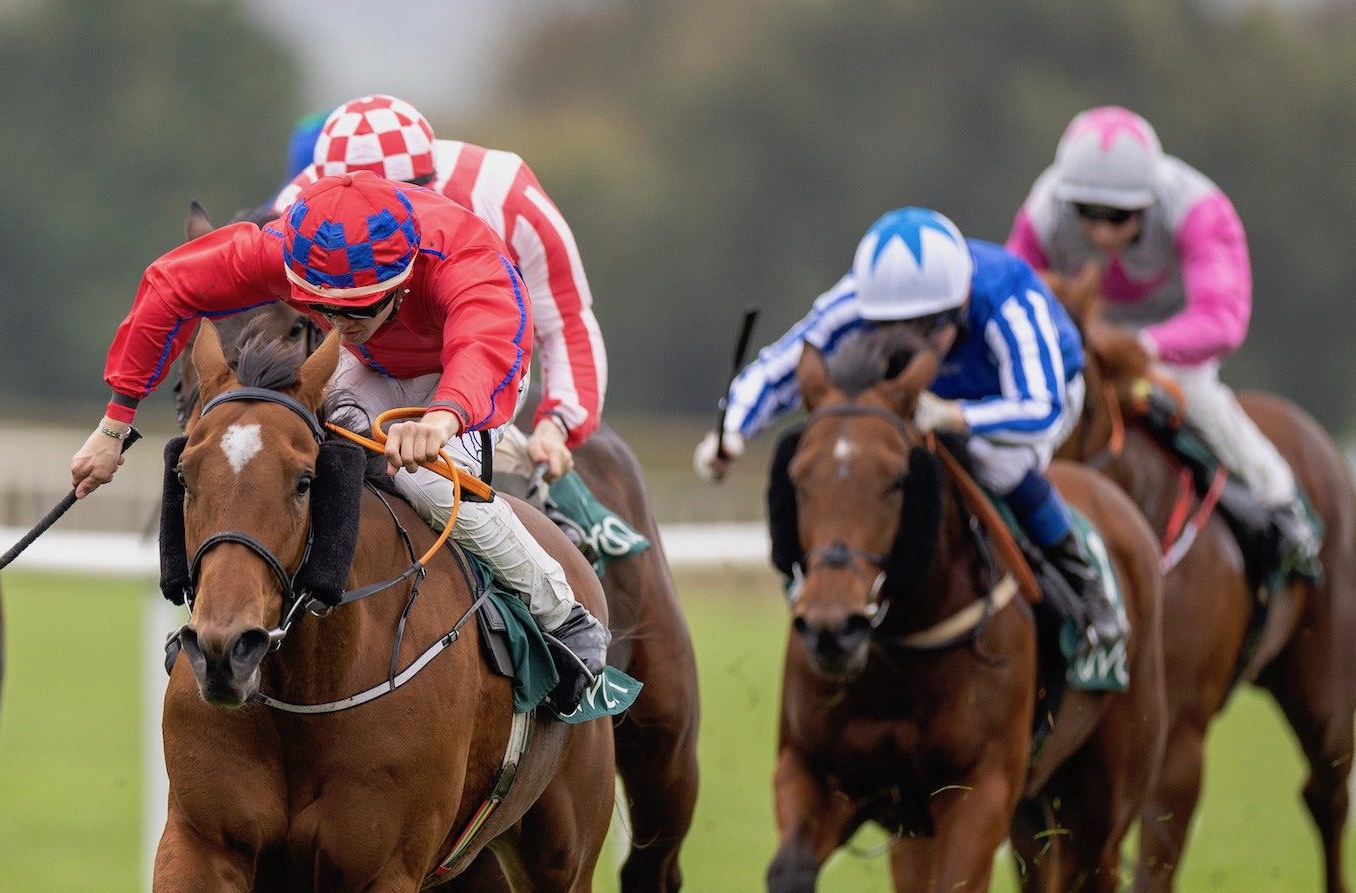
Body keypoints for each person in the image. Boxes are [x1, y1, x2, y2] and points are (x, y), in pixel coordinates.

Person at [67, 171, 610, 681]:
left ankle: (562, 613)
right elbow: (169, 286)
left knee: (425, 482)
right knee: (309, 455)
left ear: (401, 285)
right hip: (375, 363)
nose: (340, 324)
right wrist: (115, 424)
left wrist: (441, 417)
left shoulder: (465, 261)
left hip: (467, 371)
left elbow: (483, 346)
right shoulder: (282, 248)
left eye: (356, 311)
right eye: (323, 308)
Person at [697, 207, 1124, 645]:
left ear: (960, 304)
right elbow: (780, 367)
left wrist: (954, 417)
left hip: (1038, 388)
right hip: (924, 392)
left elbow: (1041, 408)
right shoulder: (861, 297)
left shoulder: (1007, 298)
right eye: (889, 327)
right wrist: (732, 431)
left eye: (925, 327)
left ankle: (1083, 585)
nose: (907, 339)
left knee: (996, 462)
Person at [1007, 105, 1317, 571]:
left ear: (1150, 202)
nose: (1102, 232)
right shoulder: (1045, 207)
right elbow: (1014, 295)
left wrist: (1142, 348)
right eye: (1087, 215)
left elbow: (1222, 321)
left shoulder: (1199, 209)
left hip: (1172, 342)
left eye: (1119, 217)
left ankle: (1280, 500)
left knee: (1196, 395)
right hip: (1088, 336)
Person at [275, 94, 607, 481]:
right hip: (368, 363)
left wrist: (556, 426)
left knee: (472, 473)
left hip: (485, 359)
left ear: (430, 185)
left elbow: (565, 319)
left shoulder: (505, 195)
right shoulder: (297, 209)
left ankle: (562, 506)